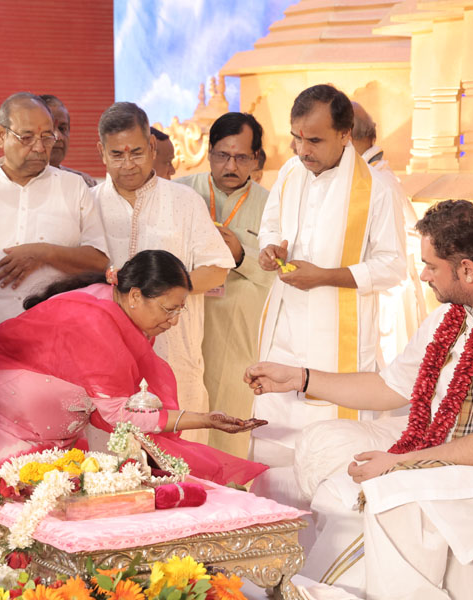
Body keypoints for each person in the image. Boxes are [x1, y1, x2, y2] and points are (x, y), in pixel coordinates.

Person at [244, 200, 473, 599]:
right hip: (459, 450)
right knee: (339, 487)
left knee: (389, 495)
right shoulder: (453, 316)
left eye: (431, 266)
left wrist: (403, 463)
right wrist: (300, 378)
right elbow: (390, 387)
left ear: (467, 269)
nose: (423, 275)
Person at [0, 249, 267, 496]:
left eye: (180, 310)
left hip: (43, 425)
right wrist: (204, 420)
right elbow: (119, 415)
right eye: (169, 309)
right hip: (2, 415)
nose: (175, 320)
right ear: (135, 295)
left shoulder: (114, 306)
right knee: (6, 513)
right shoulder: (96, 322)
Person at [253, 84, 406, 479]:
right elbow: (270, 226)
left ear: (344, 134)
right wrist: (269, 249)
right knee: (273, 443)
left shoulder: (377, 188)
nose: (302, 150)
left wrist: (325, 277)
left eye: (315, 141)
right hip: (284, 329)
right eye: (297, 138)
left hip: (339, 341)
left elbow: (393, 266)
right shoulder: (290, 173)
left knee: (328, 450)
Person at [92, 102, 234, 445]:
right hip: (105, 355)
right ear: (101, 152)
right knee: (110, 459)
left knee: (182, 458)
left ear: (153, 146)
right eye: (117, 154)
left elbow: (217, 269)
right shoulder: (88, 203)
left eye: (137, 152)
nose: (128, 164)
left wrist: (163, 297)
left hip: (174, 349)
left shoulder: (185, 201)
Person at [0, 92, 109, 330]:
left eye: (47, 137)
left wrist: (44, 253)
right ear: (1, 135)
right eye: (27, 137)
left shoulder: (74, 187)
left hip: (57, 333)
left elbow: (99, 262)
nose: (39, 148)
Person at [176, 112, 274, 459]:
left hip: (237, 337)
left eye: (241, 157)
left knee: (230, 426)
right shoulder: (181, 193)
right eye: (222, 155)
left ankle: (230, 487)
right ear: (209, 152)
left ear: (256, 159)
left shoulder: (272, 205)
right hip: (181, 326)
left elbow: (284, 273)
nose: (230, 165)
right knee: (181, 422)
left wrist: (241, 254)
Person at [351, 101, 426, 364]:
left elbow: (410, 239)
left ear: (347, 137)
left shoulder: (378, 180)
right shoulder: (367, 175)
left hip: (386, 293)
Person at [41, 94, 97, 187]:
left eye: (62, 129)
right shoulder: (19, 184)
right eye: (50, 129)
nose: (58, 136)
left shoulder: (84, 183)